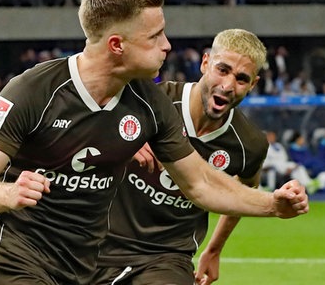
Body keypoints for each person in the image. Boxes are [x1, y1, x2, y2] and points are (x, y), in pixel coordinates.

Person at [0, 0, 308, 285]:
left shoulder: (148, 100)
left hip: (84, 265)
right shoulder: (34, 90)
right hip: (18, 256)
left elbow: (200, 182)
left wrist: (272, 205)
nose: (167, 45)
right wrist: (8, 192)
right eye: (155, 36)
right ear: (117, 45)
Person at [92, 28, 274, 285]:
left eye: (242, 79)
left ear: (253, 84)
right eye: (222, 70)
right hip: (100, 245)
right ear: (205, 63)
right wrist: (118, 138)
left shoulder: (249, 144)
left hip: (167, 257)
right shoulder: (147, 102)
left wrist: (214, 249)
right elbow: (85, 127)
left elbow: (242, 192)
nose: (228, 85)